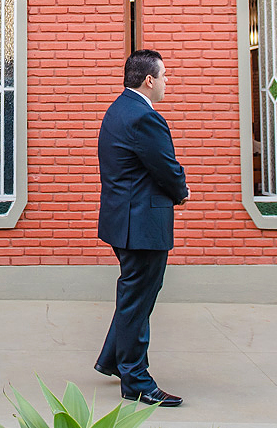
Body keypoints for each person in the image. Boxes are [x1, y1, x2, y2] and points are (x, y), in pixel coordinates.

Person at [95, 49, 189, 407]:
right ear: (149, 80)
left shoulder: (118, 109)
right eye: (164, 76)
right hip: (142, 226)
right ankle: (136, 379)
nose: (167, 83)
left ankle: (114, 360)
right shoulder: (146, 118)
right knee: (139, 300)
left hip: (125, 220)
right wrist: (182, 191)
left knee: (133, 297)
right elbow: (166, 167)